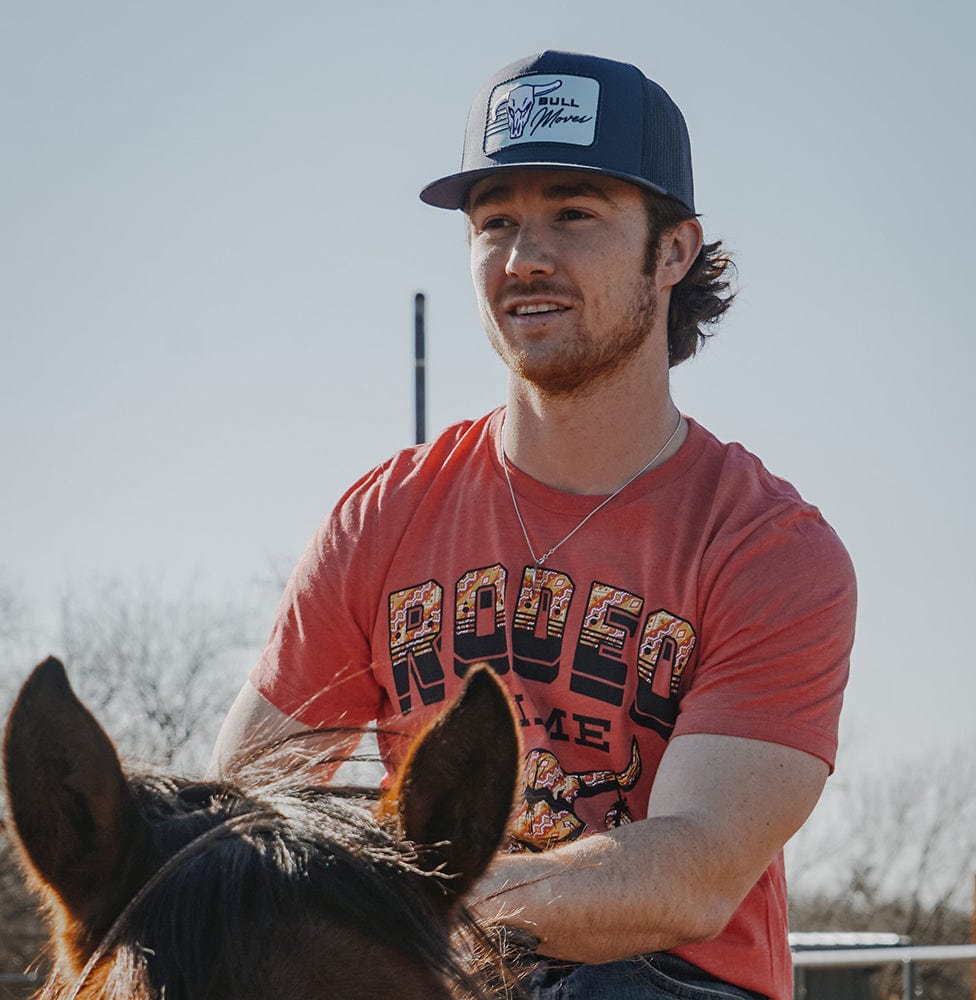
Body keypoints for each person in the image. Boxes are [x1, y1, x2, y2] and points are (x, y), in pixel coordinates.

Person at [211, 51, 856, 1000]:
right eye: (497, 221)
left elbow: (691, 876)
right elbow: (246, 801)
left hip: (663, 979)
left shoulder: (769, 548)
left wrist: (405, 901)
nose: (525, 258)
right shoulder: (383, 516)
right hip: (436, 968)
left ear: (674, 251)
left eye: (575, 213)